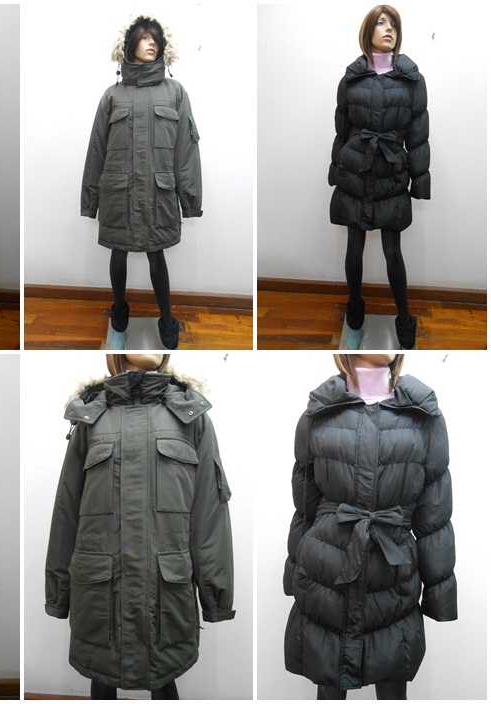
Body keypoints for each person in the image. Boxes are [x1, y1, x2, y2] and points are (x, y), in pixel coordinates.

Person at [45, 354, 234, 699]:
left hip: (165, 591)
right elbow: (67, 509)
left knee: (163, 678)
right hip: (101, 591)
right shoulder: (90, 416)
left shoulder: (190, 416)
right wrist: (58, 592)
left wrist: (216, 595)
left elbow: (209, 513)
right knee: (102, 675)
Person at [283, 354, 456, 699]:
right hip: (327, 570)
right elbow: (305, 506)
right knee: (329, 682)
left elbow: (435, 514)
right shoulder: (320, 412)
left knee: (392, 685)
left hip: (392, 573)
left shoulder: (423, 414)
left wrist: (440, 592)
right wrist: (293, 570)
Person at [81, 16, 202, 350]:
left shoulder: (175, 92)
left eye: (156, 39)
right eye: (145, 37)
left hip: (157, 194)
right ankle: (119, 312)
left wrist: (190, 199)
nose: (152, 43)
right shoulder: (112, 96)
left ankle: (167, 318)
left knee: (156, 255)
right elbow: (96, 149)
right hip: (118, 194)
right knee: (117, 254)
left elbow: (186, 150)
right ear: (129, 44)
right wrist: (90, 201)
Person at [328, 6, 429, 350]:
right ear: (367, 30)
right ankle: (355, 315)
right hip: (355, 169)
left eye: (394, 24)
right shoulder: (351, 78)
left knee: (392, 252)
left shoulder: (411, 79)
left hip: (391, 171)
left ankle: (404, 318)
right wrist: (336, 168)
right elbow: (342, 129)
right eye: (381, 23)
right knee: (354, 248)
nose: (389, 29)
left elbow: (418, 135)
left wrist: (420, 180)